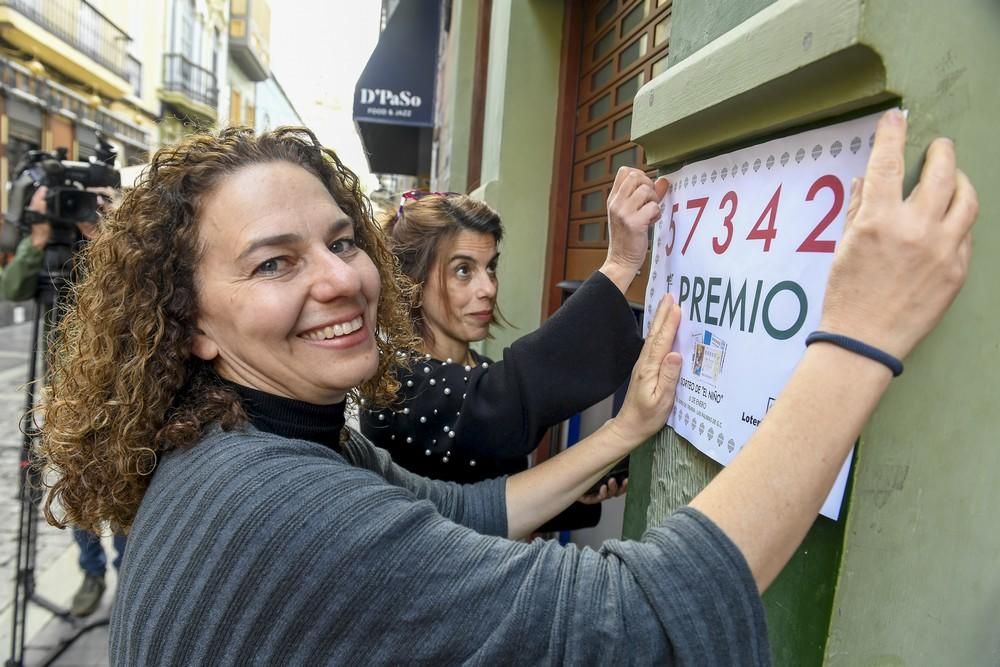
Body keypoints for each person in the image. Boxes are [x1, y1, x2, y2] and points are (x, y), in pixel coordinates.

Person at [37, 111, 975, 664]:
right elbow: (637, 623)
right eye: (275, 263)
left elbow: (460, 510)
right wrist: (857, 334)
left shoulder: (258, 434)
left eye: (339, 239)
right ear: (192, 323)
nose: (340, 278)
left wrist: (625, 430)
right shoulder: (268, 503)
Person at [360, 176, 663, 514]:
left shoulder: (478, 369)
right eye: (463, 270)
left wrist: (574, 494)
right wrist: (620, 263)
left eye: (491, 268)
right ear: (412, 282)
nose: (487, 287)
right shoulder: (397, 385)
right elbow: (512, 395)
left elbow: (495, 497)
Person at [1, 185, 123, 617]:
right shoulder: (46, 236)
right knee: (78, 493)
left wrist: (102, 232)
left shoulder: (118, 236)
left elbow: (135, 290)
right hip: (66, 390)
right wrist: (36, 238)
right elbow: (12, 289)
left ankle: (131, 576)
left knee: (130, 487)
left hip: (123, 388)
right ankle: (92, 573)